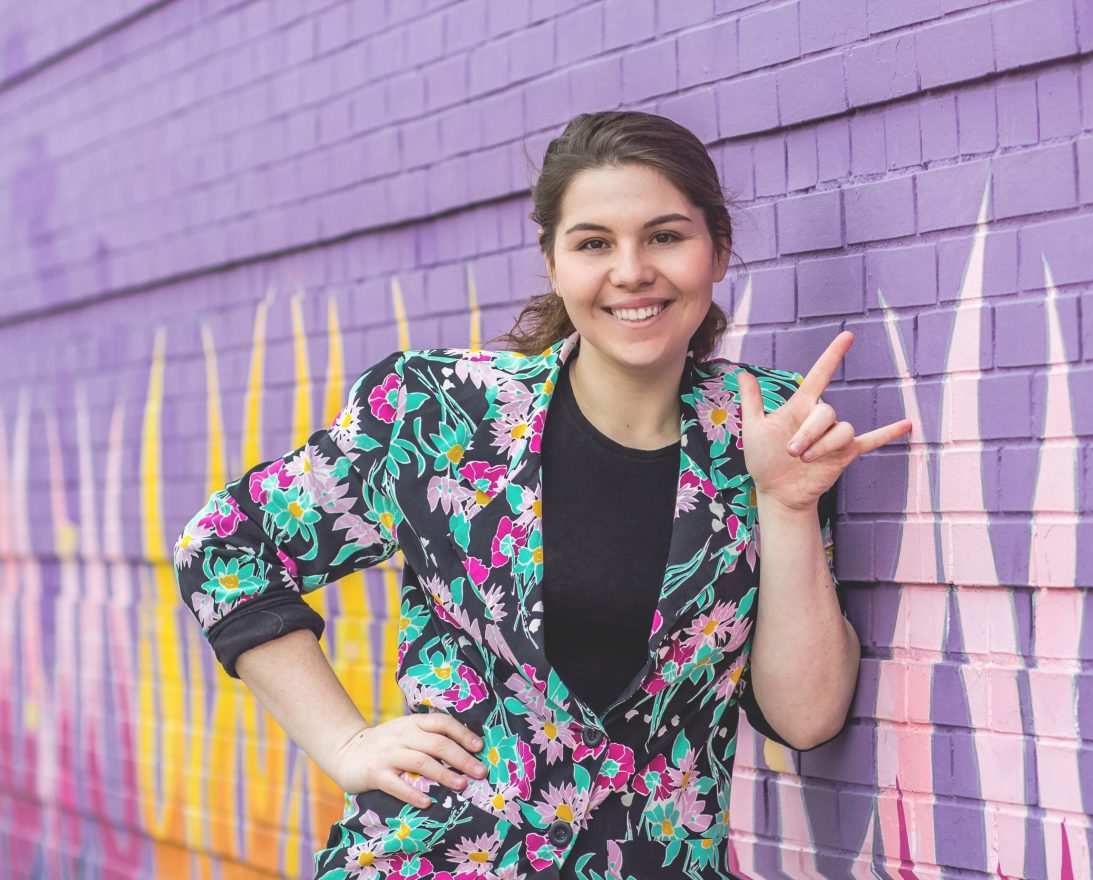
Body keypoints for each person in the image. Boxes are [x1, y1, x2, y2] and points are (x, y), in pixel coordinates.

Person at [173, 110, 911, 880]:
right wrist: (345, 742)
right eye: (594, 243)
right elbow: (227, 545)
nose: (631, 271)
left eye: (664, 236)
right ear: (554, 264)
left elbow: (806, 717)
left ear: (717, 249)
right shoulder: (443, 414)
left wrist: (787, 504)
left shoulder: (766, 431)